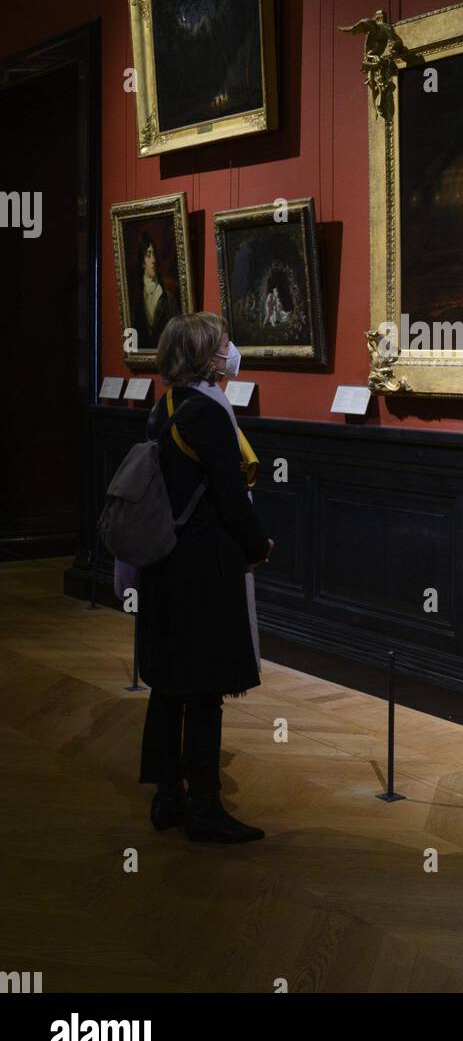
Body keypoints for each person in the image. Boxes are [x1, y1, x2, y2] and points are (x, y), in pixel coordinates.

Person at [137, 311, 274, 843]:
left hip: (165, 561)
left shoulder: (164, 407)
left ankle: (167, 796)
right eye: (221, 344)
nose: (230, 351)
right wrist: (256, 545)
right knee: (205, 689)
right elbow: (230, 496)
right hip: (203, 565)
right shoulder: (209, 414)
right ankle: (206, 809)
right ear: (203, 355)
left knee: (169, 683)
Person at [132, 230, 179, 349]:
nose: (153, 260)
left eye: (154, 255)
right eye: (148, 255)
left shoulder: (167, 297)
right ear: (142, 262)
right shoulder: (135, 297)